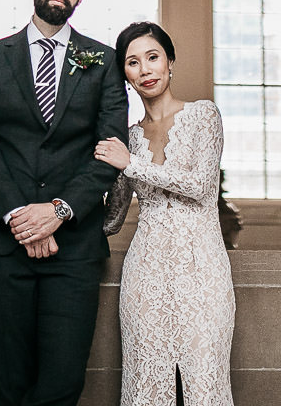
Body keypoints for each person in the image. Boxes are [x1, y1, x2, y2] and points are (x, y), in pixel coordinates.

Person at [0, 0, 128, 406]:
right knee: (9, 383)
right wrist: (21, 217)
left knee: (62, 380)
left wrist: (58, 211)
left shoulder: (104, 60)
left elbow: (110, 151)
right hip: (0, 244)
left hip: (73, 246)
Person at [94, 22, 235, 406]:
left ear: (170, 62)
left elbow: (201, 186)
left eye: (153, 57)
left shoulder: (204, 115)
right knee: (145, 389)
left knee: (206, 386)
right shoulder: (128, 137)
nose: (146, 70)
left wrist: (131, 164)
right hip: (146, 276)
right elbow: (112, 218)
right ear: (125, 75)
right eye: (133, 62)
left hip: (203, 272)